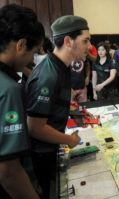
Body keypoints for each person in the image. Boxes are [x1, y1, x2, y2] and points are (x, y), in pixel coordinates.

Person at [25, 15, 91, 198]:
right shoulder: (48, 75)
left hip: (51, 150)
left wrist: (72, 113)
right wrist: (68, 140)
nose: (90, 47)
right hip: (41, 156)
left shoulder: (62, 67)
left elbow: (54, 105)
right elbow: (35, 128)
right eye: (85, 41)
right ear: (68, 41)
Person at [0, 4, 44, 199]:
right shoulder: (9, 89)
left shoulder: (10, 78)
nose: (31, 59)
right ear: (20, 45)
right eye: (33, 52)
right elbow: (9, 171)